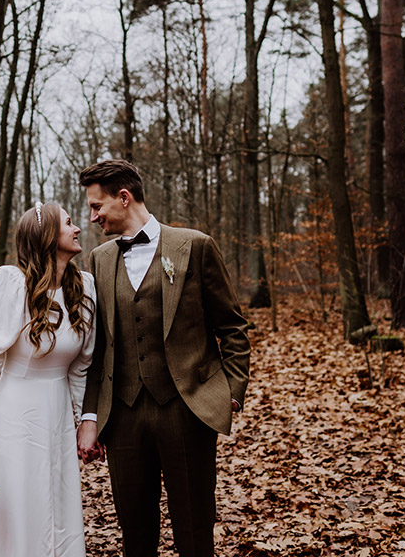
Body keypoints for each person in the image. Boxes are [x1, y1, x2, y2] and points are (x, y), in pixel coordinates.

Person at [76, 160, 250, 557]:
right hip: (123, 415)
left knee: (194, 526)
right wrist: (90, 416)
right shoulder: (99, 260)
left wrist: (230, 393)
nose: (92, 217)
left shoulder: (195, 245)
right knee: (135, 531)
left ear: (124, 198)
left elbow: (233, 328)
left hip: (187, 409)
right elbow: (98, 346)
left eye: (97, 206)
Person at [0, 202, 97, 557]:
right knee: (17, 511)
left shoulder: (85, 287)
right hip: (14, 417)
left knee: (55, 510)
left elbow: (80, 367)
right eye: (69, 223)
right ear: (47, 237)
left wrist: (83, 421)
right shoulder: (13, 283)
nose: (77, 229)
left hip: (57, 418)